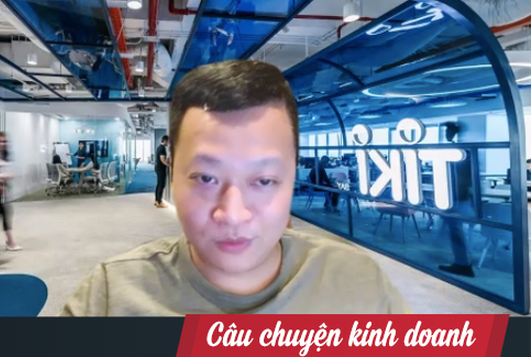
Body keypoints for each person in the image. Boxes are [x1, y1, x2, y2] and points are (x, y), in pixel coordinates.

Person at [60, 60, 410, 315]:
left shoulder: (360, 285)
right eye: (206, 178)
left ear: (292, 176)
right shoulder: (110, 300)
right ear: (172, 171)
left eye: (264, 180)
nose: (233, 214)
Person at [438, 122, 475, 278]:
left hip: (457, 198)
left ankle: (463, 264)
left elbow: (462, 178)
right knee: (455, 231)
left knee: (457, 232)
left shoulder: (461, 153)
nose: (447, 134)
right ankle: (462, 261)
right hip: (457, 197)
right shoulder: (462, 151)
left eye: (449, 131)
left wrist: (452, 200)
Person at [154, 135, 170, 208]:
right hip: (161, 169)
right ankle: (159, 202)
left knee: (159, 184)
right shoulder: (162, 148)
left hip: (158, 168)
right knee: (161, 185)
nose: (168, 143)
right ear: (165, 141)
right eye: (168, 142)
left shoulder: (159, 147)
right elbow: (162, 159)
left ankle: (156, 200)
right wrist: (168, 165)